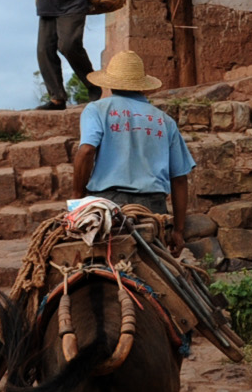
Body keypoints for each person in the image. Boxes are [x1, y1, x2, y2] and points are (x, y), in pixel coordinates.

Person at [71, 52, 195, 254]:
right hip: (152, 206)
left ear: (110, 82)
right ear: (141, 84)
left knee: (98, 261)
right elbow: (179, 179)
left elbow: (86, 150)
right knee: (155, 265)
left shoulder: (96, 109)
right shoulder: (164, 120)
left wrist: (77, 196)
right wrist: (178, 230)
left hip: (107, 203)